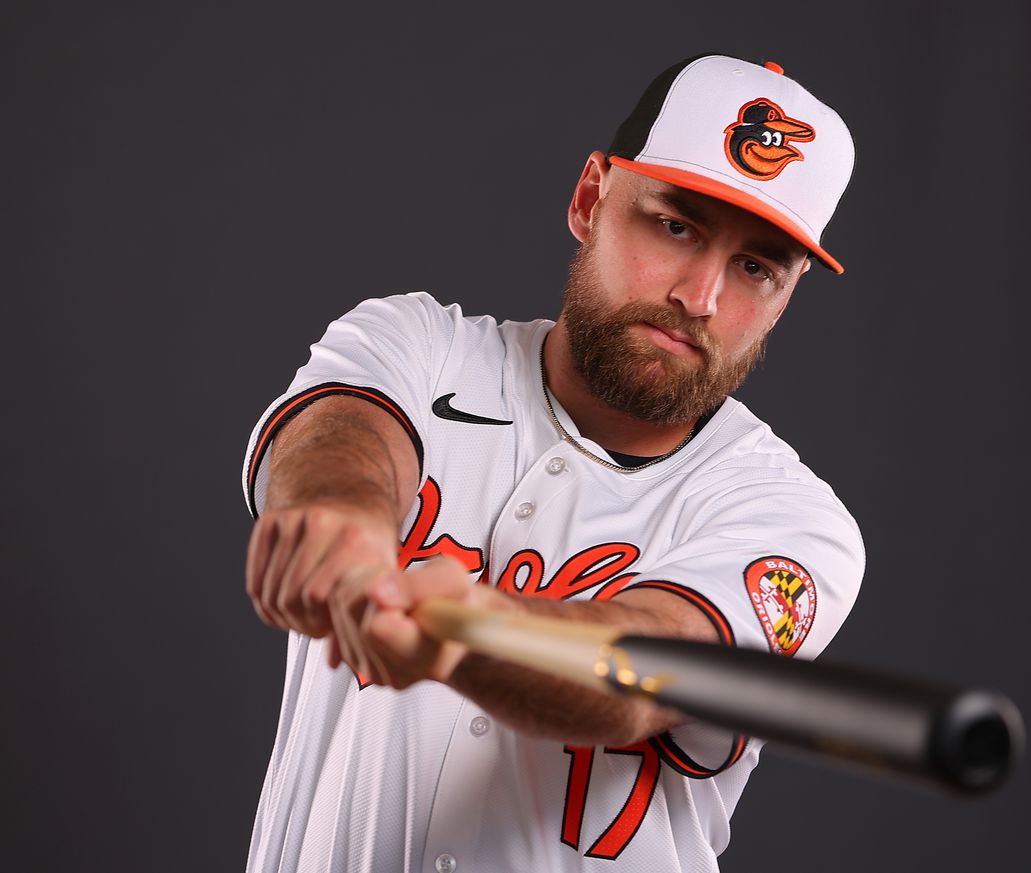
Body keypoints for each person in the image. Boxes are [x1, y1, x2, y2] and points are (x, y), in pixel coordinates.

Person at [242, 54, 863, 872]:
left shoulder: (791, 521)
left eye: (756, 267)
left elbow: (640, 671)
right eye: (676, 225)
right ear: (590, 198)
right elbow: (340, 439)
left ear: (783, 298)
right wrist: (344, 524)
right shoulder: (421, 347)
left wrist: (466, 636)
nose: (702, 295)